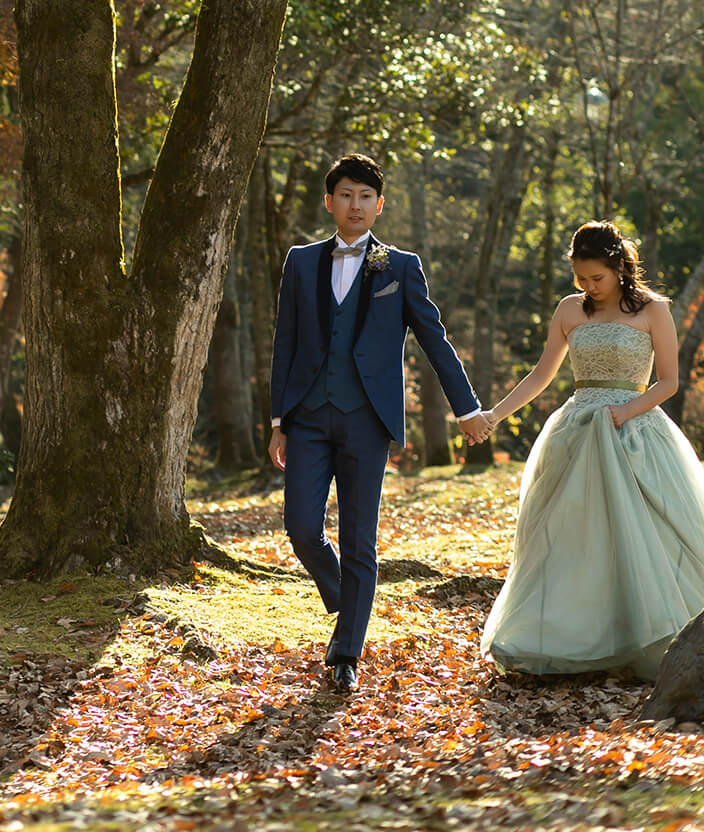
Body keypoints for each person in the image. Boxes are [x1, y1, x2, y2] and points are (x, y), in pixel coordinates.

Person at [269, 152, 491, 693]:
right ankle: (348, 599)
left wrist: (467, 409)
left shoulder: (401, 267)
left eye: (366, 196)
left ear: (379, 205)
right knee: (300, 528)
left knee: (360, 539)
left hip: (368, 421)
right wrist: (277, 419)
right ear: (330, 202)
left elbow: (435, 339)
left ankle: (346, 652)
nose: (355, 204)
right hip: (307, 418)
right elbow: (285, 344)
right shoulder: (300, 262)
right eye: (346, 195)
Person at [482, 219, 704, 679]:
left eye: (596, 278)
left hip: (635, 427)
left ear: (620, 267)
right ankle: (570, 638)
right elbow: (542, 374)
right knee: (572, 534)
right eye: (581, 279)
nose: (589, 287)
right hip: (579, 427)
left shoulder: (653, 310)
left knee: (647, 530)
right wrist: (494, 415)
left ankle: (653, 638)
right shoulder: (569, 310)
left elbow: (669, 381)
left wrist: (628, 411)